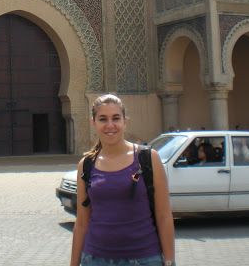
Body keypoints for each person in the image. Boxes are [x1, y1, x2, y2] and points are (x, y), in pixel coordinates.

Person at [70, 94, 175, 266]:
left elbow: (164, 215)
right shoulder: (86, 165)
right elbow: (82, 222)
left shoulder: (148, 158)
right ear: (93, 122)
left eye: (116, 118)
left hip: (144, 259)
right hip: (95, 259)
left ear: (125, 121)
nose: (110, 125)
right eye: (103, 119)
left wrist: (170, 261)